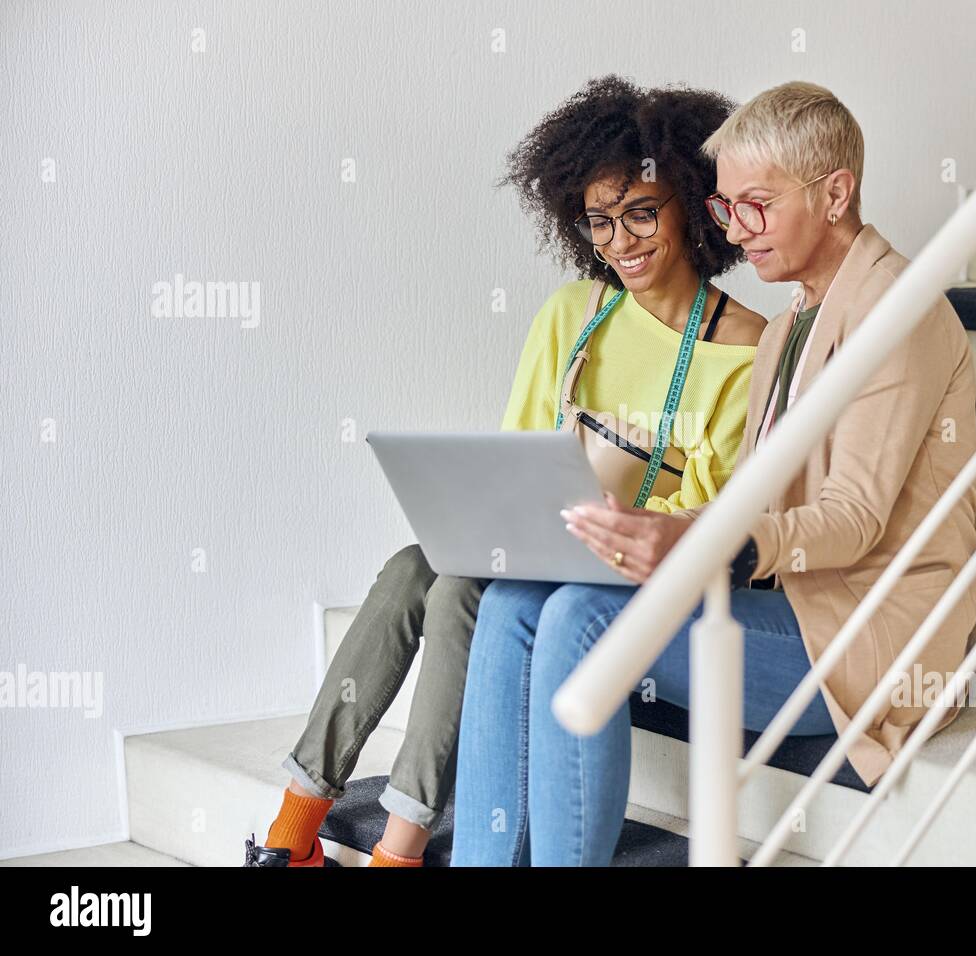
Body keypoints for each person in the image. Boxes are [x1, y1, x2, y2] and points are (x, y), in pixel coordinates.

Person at [450, 81, 976, 866]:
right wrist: (647, 524)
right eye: (726, 206)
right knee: (513, 599)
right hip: (777, 599)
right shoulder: (789, 325)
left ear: (836, 193)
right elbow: (754, 495)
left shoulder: (897, 311)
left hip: (855, 633)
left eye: (755, 203)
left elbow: (853, 519)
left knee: (580, 621)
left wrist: (703, 545)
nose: (734, 228)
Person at [242, 75, 765, 867]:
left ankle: (400, 847)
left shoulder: (743, 347)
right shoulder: (575, 315)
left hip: (633, 566)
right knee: (414, 566)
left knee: (455, 589)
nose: (620, 241)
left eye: (640, 213)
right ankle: (296, 823)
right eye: (599, 222)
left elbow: (709, 513)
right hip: (543, 539)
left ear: (690, 205)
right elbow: (518, 451)